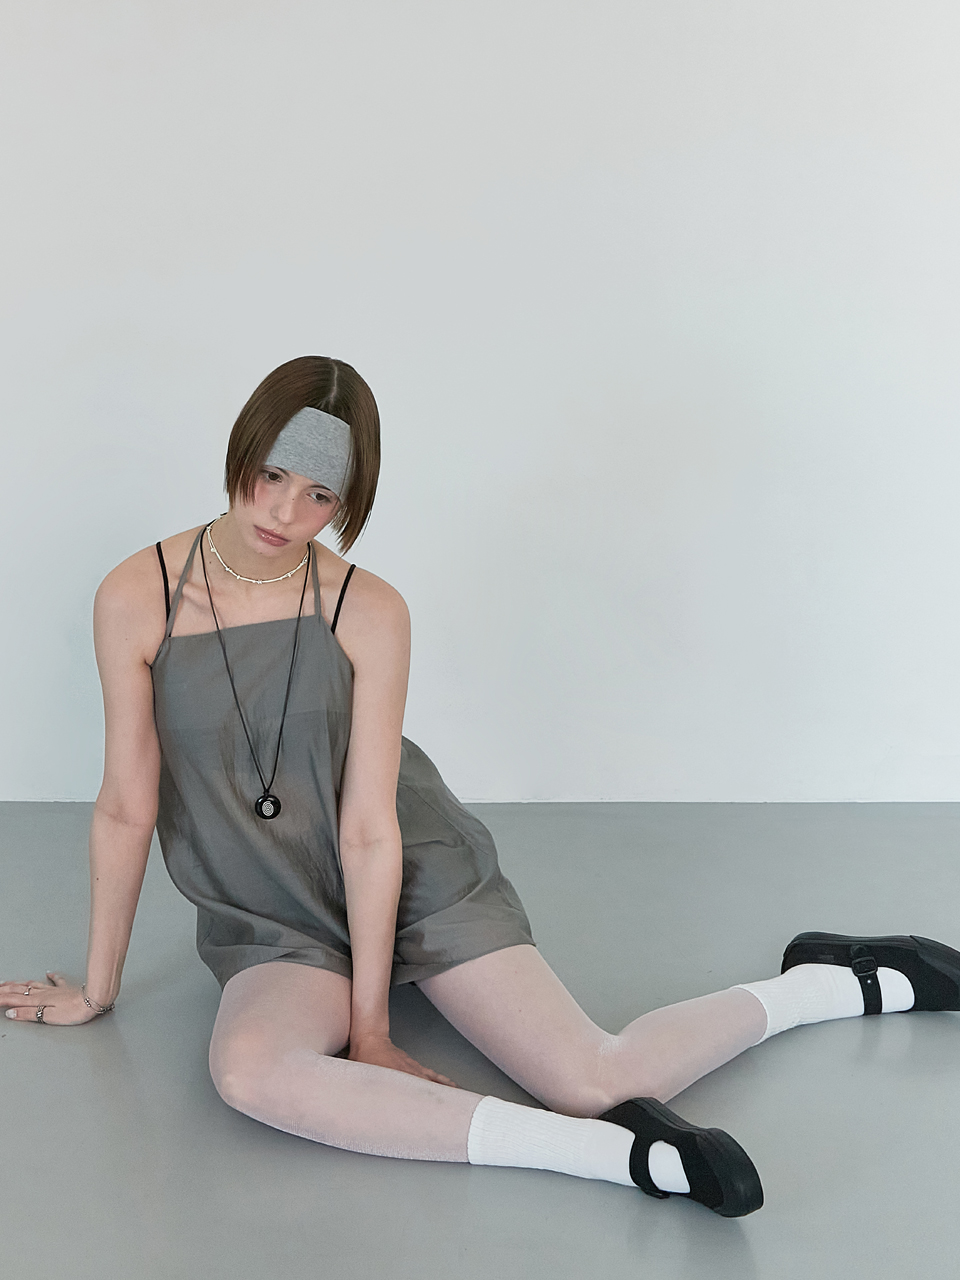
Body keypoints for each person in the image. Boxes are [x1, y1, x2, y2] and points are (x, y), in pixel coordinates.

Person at [3, 355, 959, 1219]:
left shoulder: (367, 609)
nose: (284, 512)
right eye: (271, 475)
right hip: (270, 904)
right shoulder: (137, 594)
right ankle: (621, 1158)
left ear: (348, 501)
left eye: (319, 494)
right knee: (249, 1073)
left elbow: (371, 829)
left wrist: (371, 1030)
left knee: (595, 1075)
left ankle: (833, 983)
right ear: (242, 451)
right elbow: (127, 803)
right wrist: (98, 988)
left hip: (408, 867)